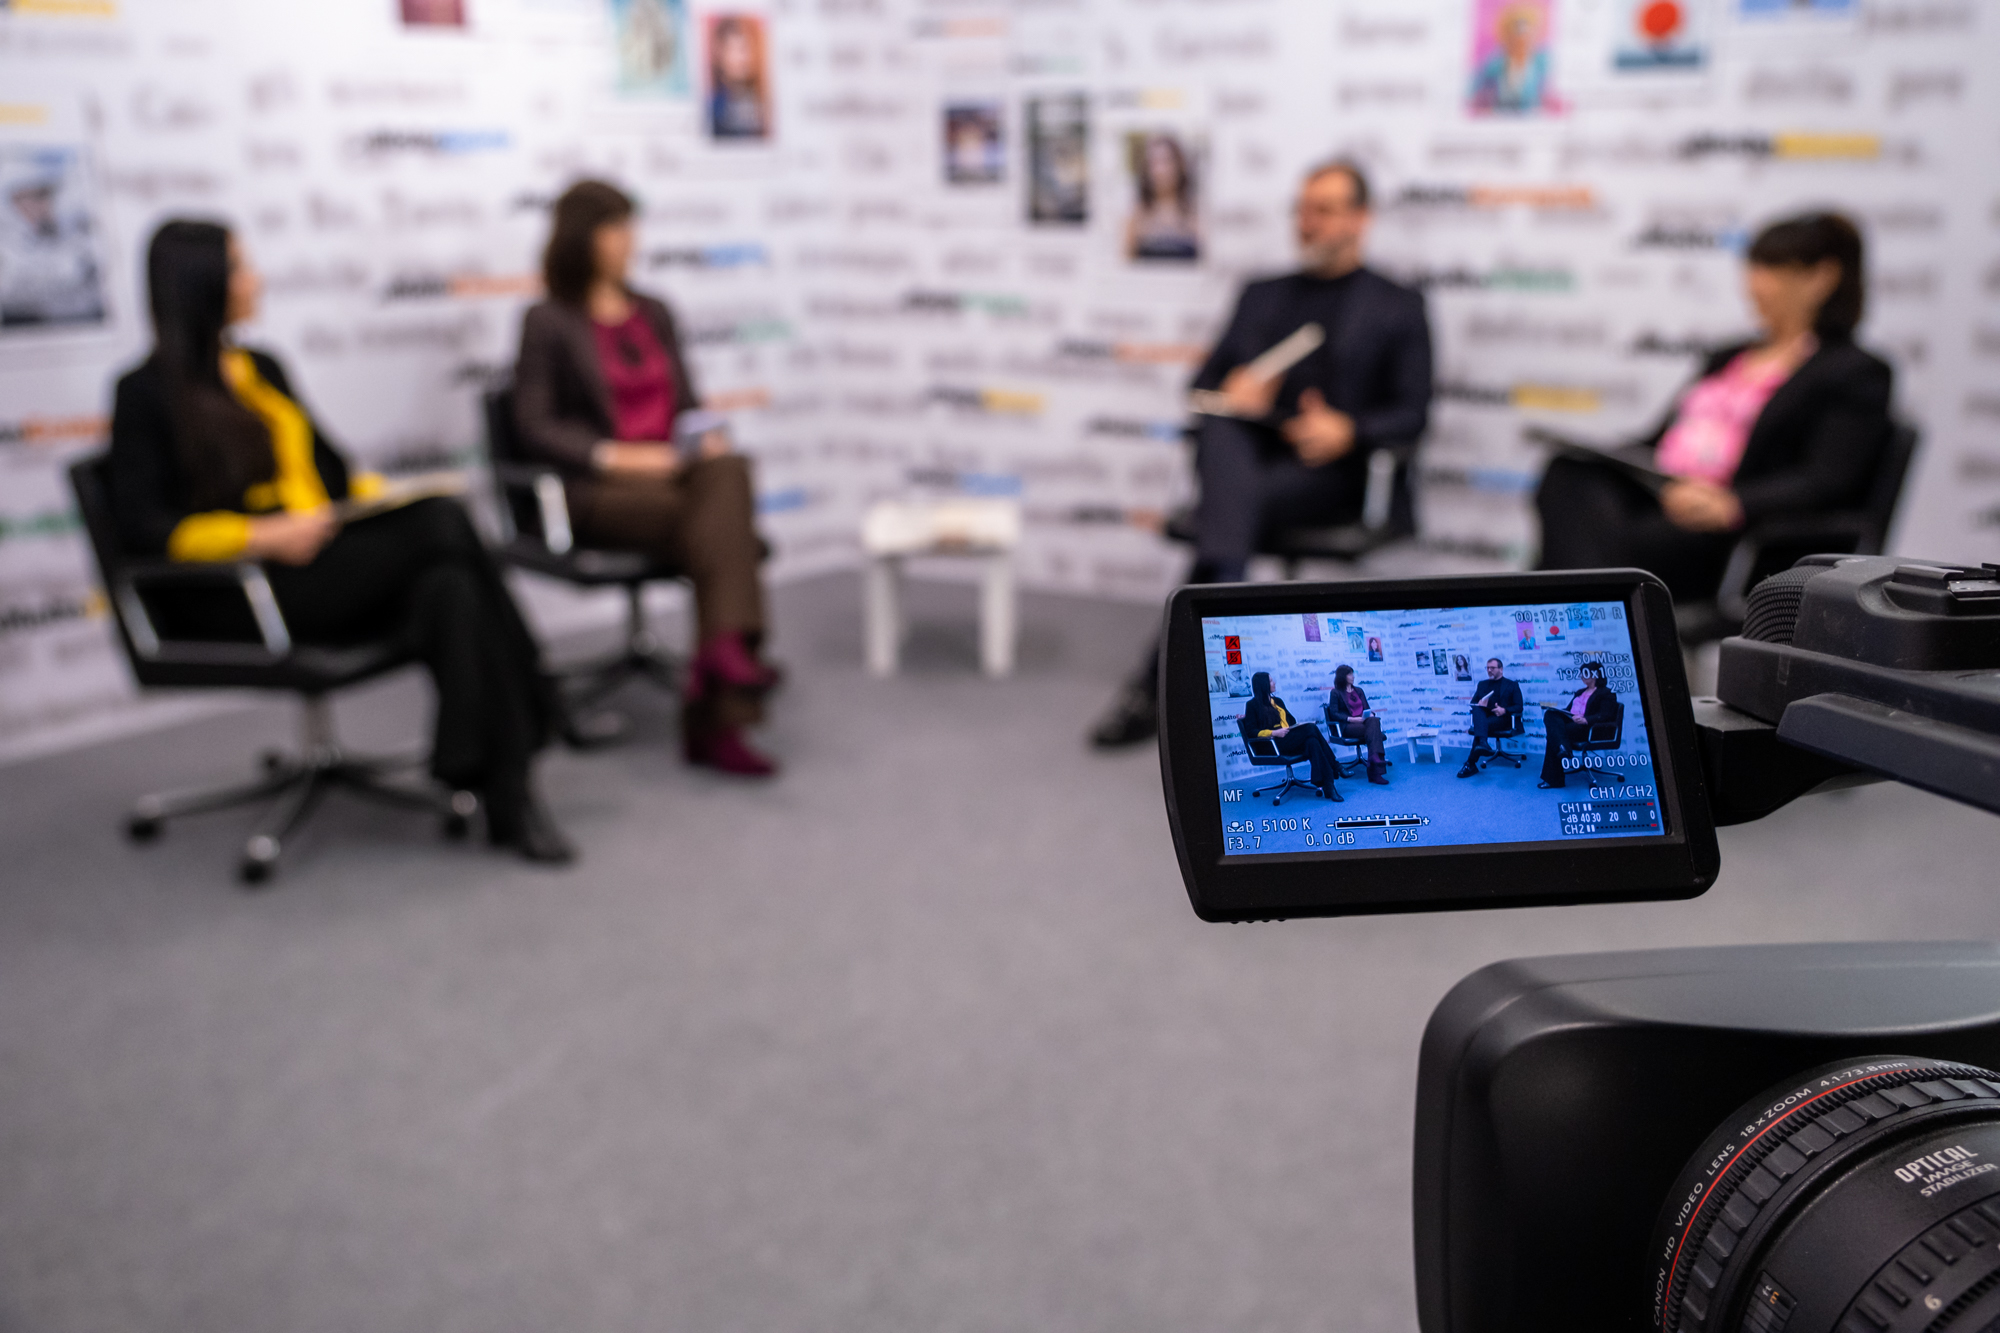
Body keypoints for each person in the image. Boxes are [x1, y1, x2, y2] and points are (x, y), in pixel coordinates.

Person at [109, 220, 572, 862]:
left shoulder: (261, 368)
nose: (256, 279)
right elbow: (139, 528)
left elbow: (332, 471)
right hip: (242, 589)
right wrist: (260, 533)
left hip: (320, 561)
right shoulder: (144, 394)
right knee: (444, 522)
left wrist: (379, 500)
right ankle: (542, 694)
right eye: (242, 267)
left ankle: (506, 792)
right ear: (203, 284)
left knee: (452, 587)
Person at [1090, 159, 1433, 747]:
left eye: (1323, 210)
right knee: (1224, 440)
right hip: (1247, 461)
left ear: (1360, 219)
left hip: (1331, 475)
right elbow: (1201, 390)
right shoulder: (1262, 295)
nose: (1307, 223)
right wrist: (1233, 393)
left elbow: (1414, 414)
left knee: (1228, 506)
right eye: (1302, 210)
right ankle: (1221, 667)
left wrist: (1348, 430)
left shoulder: (1396, 304)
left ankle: (1157, 686)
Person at [513, 179, 781, 777]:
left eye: (631, 227)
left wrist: (698, 437)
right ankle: (722, 685)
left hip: (675, 478)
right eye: (615, 229)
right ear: (582, 238)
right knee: (724, 532)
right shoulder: (547, 321)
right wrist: (615, 456)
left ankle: (718, 656)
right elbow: (533, 425)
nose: (628, 241)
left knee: (728, 467)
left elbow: (686, 403)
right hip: (596, 493)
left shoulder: (654, 311)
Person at [1535, 213, 1893, 601]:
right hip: (1664, 495)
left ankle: (1575, 621)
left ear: (1822, 277)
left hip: (1727, 532)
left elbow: (1827, 478)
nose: (1755, 282)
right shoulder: (1729, 356)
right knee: (1568, 473)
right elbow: (1661, 440)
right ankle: (1593, 619)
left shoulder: (1855, 371)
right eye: (1754, 265)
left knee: (1596, 540)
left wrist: (1733, 503)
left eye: (1773, 268)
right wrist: (1611, 458)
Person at [1243, 672, 1341, 802]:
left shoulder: (1277, 701)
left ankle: (1329, 786)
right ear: (1264, 685)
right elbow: (1250, 731)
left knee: (1312, 742)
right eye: (1271, 681)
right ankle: (1336, 766)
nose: (1274, 683)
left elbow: (1291, 720)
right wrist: (1273, 732)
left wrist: (1295, 726)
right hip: (1271, 744)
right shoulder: (1252, 705)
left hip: (1287, 739)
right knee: (1311, 729)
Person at [1538, 661, 1617, 789]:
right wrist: (1561, 712)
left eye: (1585, 673)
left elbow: (1606, 714)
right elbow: (1569, 710)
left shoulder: (1606, 693)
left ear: (1595, 675)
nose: (1582, 676)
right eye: (1581, 673)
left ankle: (1555, 777)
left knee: (1554, 735)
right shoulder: (1580, 692)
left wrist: (1586, 719)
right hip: (1572, 723)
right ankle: (1563, 747)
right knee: (1550, 714)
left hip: (1588, 728)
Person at [1125, 133, 1199, 261]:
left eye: (1167, 161)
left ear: (1179, 165)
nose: (1161, 170)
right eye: (1154, 163)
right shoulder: (1136, 216)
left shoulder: (1195, 213)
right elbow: (1125, 264)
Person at [1470, 4, 1554, 114]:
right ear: (1507, 36)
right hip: (1499, 116)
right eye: (1517, 33)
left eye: (1526, 33)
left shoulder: (1540, 61)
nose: (1521, 39)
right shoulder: (1496, 62)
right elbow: (1475, 87)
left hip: (1531, 118)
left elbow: (1547, 90)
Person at [1458, 657, 1524, 778]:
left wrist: (1504, 710)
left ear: (1501, 669)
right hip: (1486, 717)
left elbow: (1519, 707)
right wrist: (1482, 704)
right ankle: (1482, 743)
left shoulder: (1512, 685)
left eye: (1492, 668)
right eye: (1487, 668)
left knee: (1480, 726)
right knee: (1477, 709)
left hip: (1505, 719)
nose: (1489, 670)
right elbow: (1473, 703)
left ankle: (1471, 762)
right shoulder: (1482, 684)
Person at [1325, 664, 1389, 785]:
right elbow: (1334, 713)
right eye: (1350, 674)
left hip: (1364, 723)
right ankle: (1375, 768)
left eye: (1352, 674)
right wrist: (1351, 719)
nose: (1353, 677)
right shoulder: (1336, 693)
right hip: (1348, 726)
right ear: (1343, 676)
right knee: (1375, 729)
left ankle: (1374, 759)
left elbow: (1367, 708)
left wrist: (1369, 715)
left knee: (1374, 720)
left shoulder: (1359, 690)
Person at [707, 16, 768, 140]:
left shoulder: (764, 98)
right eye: (734, 49)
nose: (742, 58)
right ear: (720, 53)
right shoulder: (713, 108)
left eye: (745, 48)